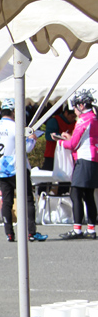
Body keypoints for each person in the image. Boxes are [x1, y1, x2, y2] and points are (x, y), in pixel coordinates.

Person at [0, 98, 47, 243]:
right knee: (27, 200)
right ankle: (31, 232)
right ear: (14, 111)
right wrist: (32, 138)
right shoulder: (16, 127)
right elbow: (26, 147)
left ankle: (9, 233)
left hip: (0, 167)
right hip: (17, 167)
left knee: (6, 200)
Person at [56, 90, 98, 240]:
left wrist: (60, 141)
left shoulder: (84, 119)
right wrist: (70, 137)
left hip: (84, 159)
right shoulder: (94, 117)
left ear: (81, 106)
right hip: (93, 159)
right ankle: (91, 229)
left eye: (74, 107)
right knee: (88, 195)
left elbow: (73, 144)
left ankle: (77, 229)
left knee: (75, 193)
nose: (73, 110)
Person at [42, 104, 76, 175]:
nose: (73, 119)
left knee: (66, 179)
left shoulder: (75, 123)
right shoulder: (54, 121)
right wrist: (62, 136)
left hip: (66, 155)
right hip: (52, 154)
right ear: (66, 113)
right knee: (46, 177)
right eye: (72, 116)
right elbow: (48, 136)